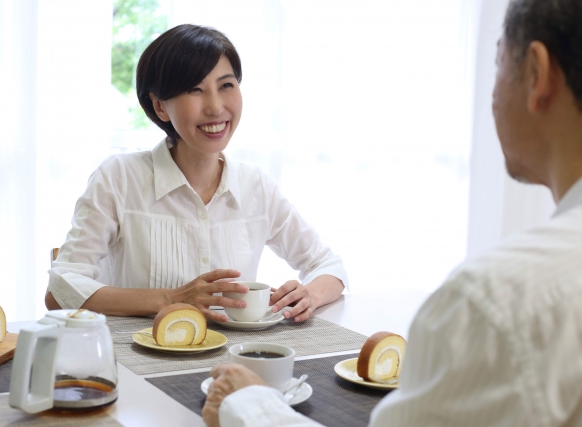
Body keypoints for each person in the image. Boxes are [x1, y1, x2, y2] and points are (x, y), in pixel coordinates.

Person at [202, 0, 582, 425]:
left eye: (496, 64)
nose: (214, 107)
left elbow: (327, 263)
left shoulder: (497, 302)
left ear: (536, 74)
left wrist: (249, 403)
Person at [44, 25, 347, 322]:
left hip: (232, 363)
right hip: (137, 361)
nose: (216, 108)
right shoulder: (119, 178)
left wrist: (310, 294)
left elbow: (328, 265)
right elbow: (59, 291)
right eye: (195, 90)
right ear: (160, 106)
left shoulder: (256, 187)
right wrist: (171, 299)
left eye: (226, 85)